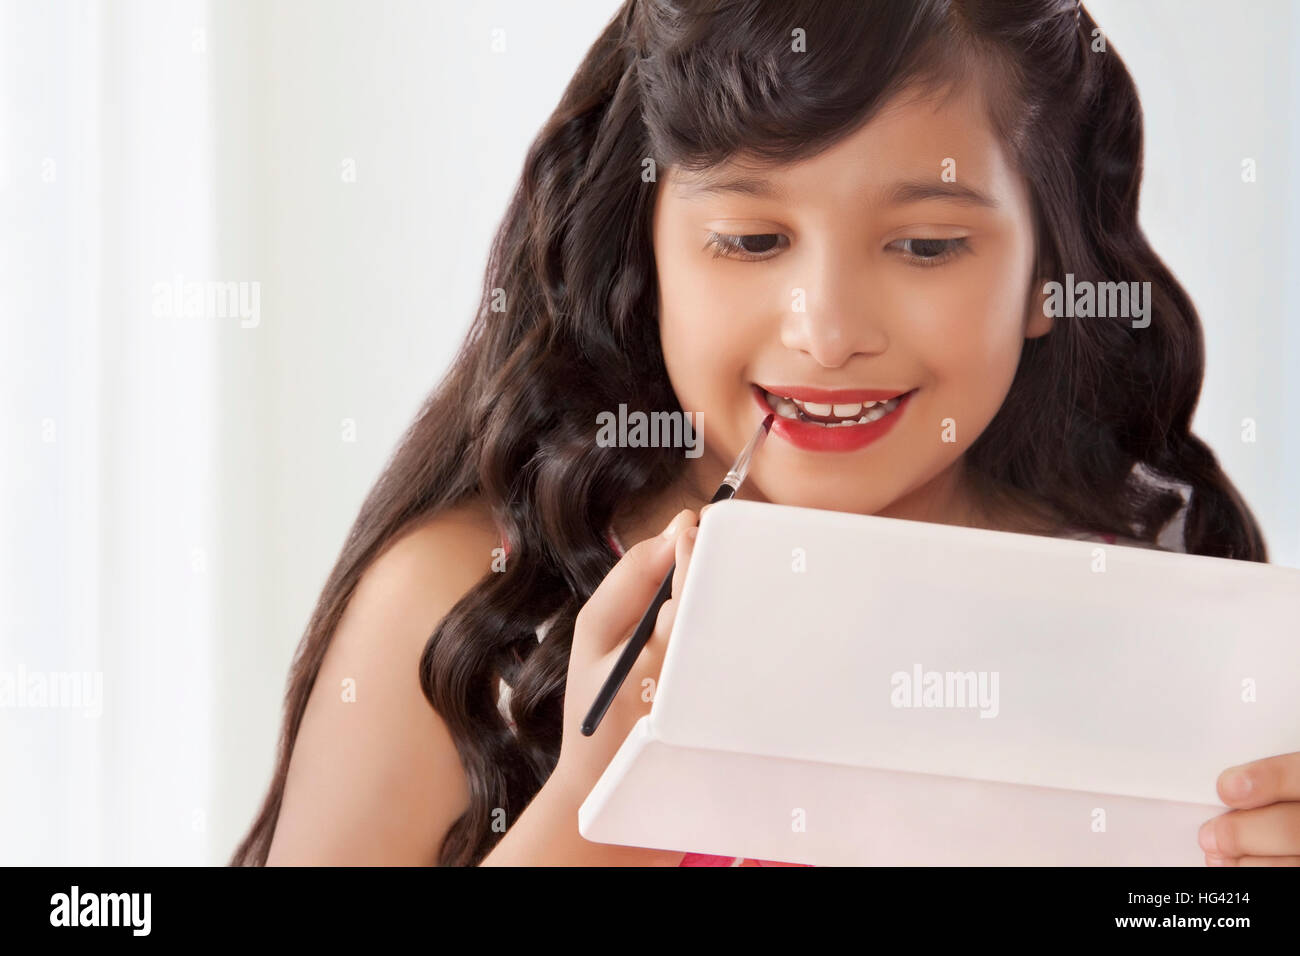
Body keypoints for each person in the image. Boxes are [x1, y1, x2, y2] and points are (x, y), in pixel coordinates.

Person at [231, 0, 1289, 867]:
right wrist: (601, 798)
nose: (824, 331)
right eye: (748, 238)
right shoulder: (467, 601)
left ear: (1052, 273)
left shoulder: (1146, 615)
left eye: (924, 245)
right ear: (648, 254)